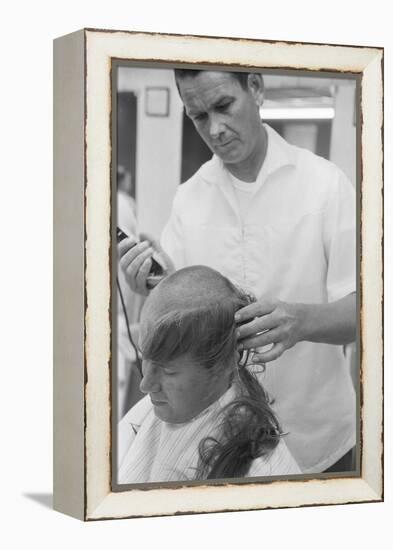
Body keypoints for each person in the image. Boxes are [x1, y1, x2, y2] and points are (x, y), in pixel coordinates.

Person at [118, 69, 356, 474]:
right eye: (198, 116)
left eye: (224, 106)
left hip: (318, 439)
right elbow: (183, 301)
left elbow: (367, 314)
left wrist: (302, 321)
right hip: (221, 446)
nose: (216, 129)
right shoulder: (189, 200)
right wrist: (150, 284)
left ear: (256, 88)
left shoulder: (326, 186)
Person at [118, 266, 300, 483]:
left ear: (222, 366)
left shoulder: (260, 476)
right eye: (144, 356)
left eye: (169, 371)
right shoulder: (159, 407)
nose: (145, 385)